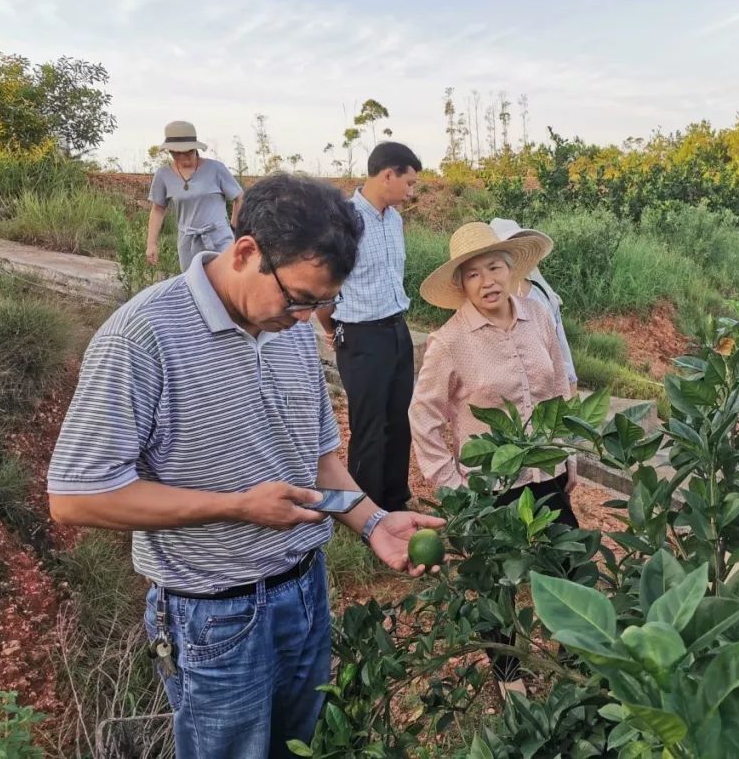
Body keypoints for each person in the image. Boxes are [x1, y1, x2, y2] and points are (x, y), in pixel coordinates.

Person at [47, 174, 444, 759]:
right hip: (215, 617)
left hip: (305, 591)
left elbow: (318, 457)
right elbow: (76, 498)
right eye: (299, 298)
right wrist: (235, 506)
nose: (308, 317)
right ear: (246, 252)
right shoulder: (144, 336)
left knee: (298, 747)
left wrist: (374, 522)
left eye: (322, 303)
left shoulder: (287, 331)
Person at [408, 221, 578, 697]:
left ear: (511, 270)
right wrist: (452, 484)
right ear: (460, 284)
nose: (487, 281)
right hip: (489, 488)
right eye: (473, 273)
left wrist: (568, 454)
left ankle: (574, 665)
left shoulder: (537, 314)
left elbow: (559, 386)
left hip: (546, 471)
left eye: (495, 267)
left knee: (571, 569)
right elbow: (424, 417)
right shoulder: (451, 341)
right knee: (494, 589)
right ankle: (511, 685)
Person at [315, 142, 421, 512]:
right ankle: (366, 511)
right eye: (408, 183)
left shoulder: (394, 219)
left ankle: (395, 500)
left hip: (396, 329)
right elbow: (325, 283)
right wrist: (333, 329)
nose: (411, 192)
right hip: (361, 334)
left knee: (398, 418)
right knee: (370, 424)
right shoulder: (344, 220)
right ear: (387, 175)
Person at [489, 218, 578, 395]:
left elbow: (562, 353)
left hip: (549, 401)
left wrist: (572, 394)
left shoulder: (542, 296)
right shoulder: (486, 303)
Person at [146, 120, 245, 271]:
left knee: (227, 283)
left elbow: (239, 197)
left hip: (219, 239)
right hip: (188, 243)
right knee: (193, 286)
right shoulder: (163, 175)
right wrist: (151, 244)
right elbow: (158, 209)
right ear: (171, 152)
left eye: (189, 152)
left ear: (195, 149)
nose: (184, 158)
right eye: (178, 154)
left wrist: (233, 227)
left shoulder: (216, 169)